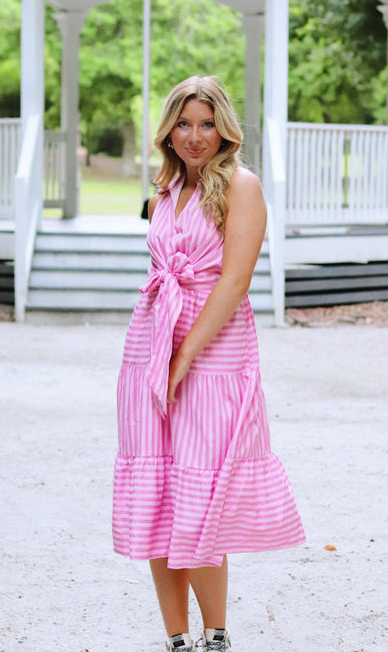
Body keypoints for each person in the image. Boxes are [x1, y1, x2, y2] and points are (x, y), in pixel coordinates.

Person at [112, 76, 305, 652]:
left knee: (197, 502)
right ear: (168, 129)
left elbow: (235, 281)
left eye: (206, 123)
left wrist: (182, 357)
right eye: (183, 123)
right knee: (156, 496)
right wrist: (157, 355)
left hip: (212, 352)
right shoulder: (165, 190)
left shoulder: (241, 187)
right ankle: (176, 640)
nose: (195, 136)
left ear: (224, 127)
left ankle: (216, 637)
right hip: (148, 343)